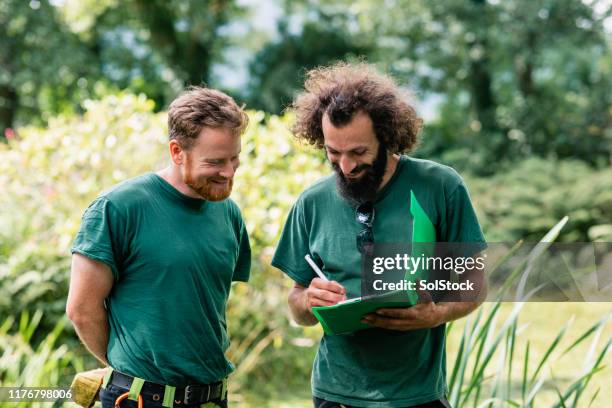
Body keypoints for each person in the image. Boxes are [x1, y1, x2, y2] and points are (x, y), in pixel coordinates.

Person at [272, 63, 487, 408]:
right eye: (333, 152)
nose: (345, 166)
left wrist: (436, 314)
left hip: (418, 396)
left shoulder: (441, 187)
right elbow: (296, 304)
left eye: (358, 152)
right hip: (334, 395)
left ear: (386, 137)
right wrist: (309, 302)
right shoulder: (311, 203)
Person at [66, 87, 251, 408]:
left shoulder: (229, 213)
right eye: (216, 161)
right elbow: (82, 309)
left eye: (235, 158)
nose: (229, 172)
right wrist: (128, 371)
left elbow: (201, 304)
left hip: (212, 397)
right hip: (137, 398)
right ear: (177, 151)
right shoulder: (118, 208)